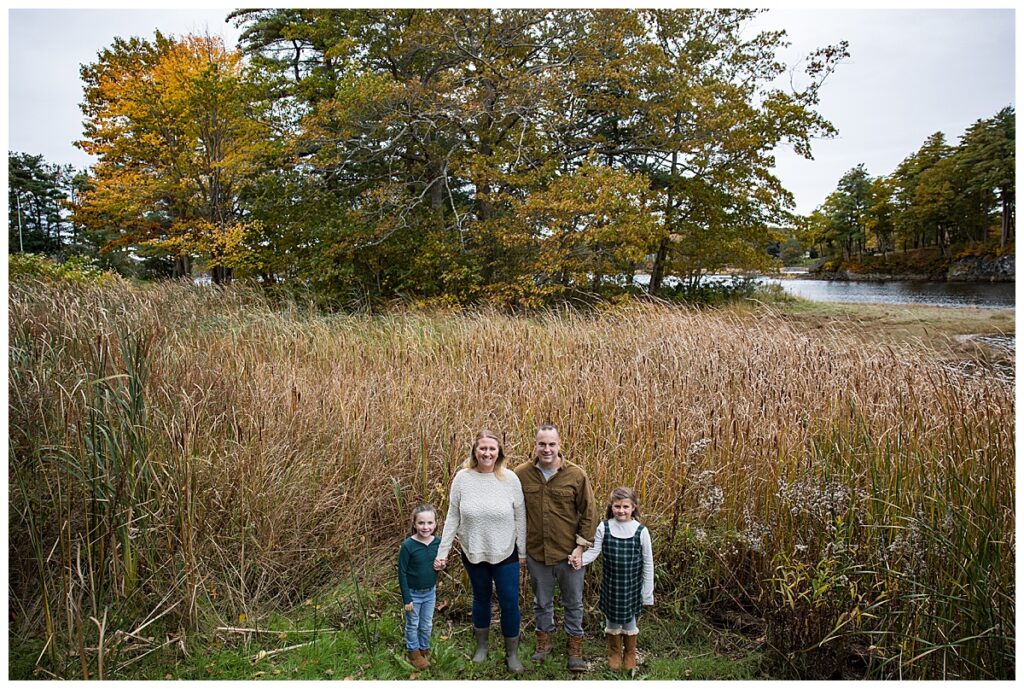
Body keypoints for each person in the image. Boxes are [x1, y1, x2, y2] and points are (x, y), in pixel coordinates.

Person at [434, 430, 528, 673]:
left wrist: (522, 552)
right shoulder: (462, 479)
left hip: (505, 551)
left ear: (499, 452)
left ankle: (512, 653)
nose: (487, 453)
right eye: (483, 448)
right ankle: (482, 647)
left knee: (509, 601)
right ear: (475, 451)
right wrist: (443, 552)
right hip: (473, 550)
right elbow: (453, 516)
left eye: (492, 449)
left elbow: (520, 517)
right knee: (480, 598)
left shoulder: (510, 479)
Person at [514, 424, 597, 672]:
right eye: (542, 444)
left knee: (573, 602)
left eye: (551, 444)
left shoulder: (576, 475)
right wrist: (519, 549)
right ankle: (544, 642)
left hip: (568, 553)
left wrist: (580, 548)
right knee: (542, 602)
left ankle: (575, 648)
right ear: (535, 445)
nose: (547, 449)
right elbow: (512, 511)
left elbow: (589, 513)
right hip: (537, 552)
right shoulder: (521, 474)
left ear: (559, 445)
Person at [581, 487, 655, 671]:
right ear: (611, 507)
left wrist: (647, 593)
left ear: (633, 507)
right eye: (617, 506)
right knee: (612, 617)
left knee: (630, 619)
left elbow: (648, 563)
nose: (621, 510)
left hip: (631, 586)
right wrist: (579, 560)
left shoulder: (641, 531)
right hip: (612, 585)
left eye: (625, 507)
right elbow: (594, 552)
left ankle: (630, 652)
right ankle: (614, 652)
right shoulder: (604, 527)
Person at [398, 504, 441, 670]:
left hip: (430, 592)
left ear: (435, 524)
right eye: (421, 523)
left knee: (427, 623)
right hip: (413, 594)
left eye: (430, 523)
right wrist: (407, 598)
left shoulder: (437, 543)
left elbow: (440, 563)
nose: (425, 527)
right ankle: (414, 652)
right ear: (414, 524)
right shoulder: (408, 546)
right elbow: (402, 573)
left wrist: (441, 565)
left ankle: (424, 648)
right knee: (413, 623)